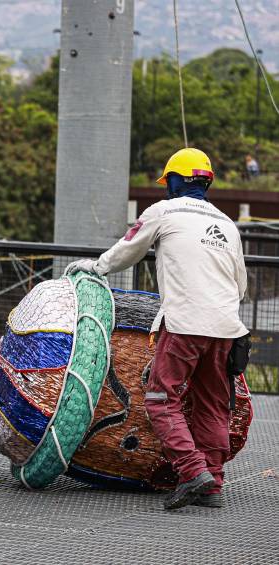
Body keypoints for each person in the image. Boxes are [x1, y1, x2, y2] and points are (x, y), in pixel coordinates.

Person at [67, 147, 248, 510]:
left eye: (169, 181)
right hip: (226, 328)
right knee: (213, 406)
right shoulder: (228, 225)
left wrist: (95, 268)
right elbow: (240, 284)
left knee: (161, 399)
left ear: (178, 180)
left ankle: (192, 470)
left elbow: (128, 250)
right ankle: (212, 486)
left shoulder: (164, 211)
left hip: (185, 324)